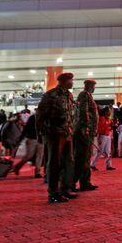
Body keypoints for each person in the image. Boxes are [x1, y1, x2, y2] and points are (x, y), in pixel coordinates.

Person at [36, 72, 79, 203]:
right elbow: (40, 115)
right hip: (54, 133)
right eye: (71, 80)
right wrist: (40, 134)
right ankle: (53, 192)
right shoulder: (50, 95)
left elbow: (70, 115)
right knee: (54, 163)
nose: (72, 82)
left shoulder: (69, 95)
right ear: (64, 81)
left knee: (68, 162)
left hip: (67, 133)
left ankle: (65, 189)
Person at [73, 79, 99, 191]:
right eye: (93, 86)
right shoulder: (84, 95)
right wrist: (86, 128)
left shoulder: (88, 95)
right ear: (88, 86)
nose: (94, 88)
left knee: (86, 158)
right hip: (84, 131)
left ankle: (85, 182)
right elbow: (83, 112)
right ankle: (70, 183)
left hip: (88, 131)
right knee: (81, 158)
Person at [12, 111, 44, 178]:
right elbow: (26, 128)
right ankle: (17, 167)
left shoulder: (44, 118)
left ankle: (37, 172)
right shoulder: (32, 118)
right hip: (32, 138)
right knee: (29, 156)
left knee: (40, 155)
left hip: (40, 139)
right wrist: (20, 139)